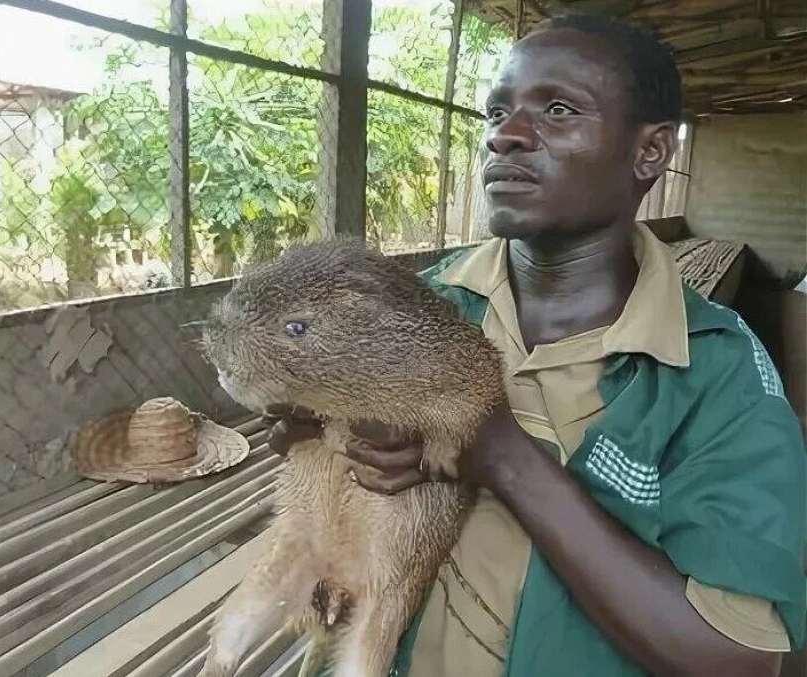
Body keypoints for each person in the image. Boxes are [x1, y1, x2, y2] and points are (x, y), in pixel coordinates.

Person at [266, 13, 806, 677]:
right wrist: (316, 427)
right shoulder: (419, 305)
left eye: (557, 110)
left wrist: (504, 458)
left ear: (650, 152)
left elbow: (738, 658)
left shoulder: (718, 373)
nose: (505, 135)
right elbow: (322, 466)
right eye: (496, 112)